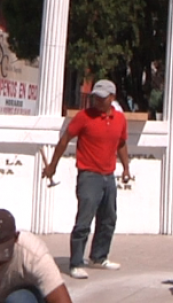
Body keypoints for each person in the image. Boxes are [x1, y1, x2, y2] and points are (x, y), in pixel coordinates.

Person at [43, 79, 131, 279]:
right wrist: (52, 166)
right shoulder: (84, 117)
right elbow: (65, 139)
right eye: (95, 97)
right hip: (88, 175)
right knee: (84, 220)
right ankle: (75, 263)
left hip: (109, 176)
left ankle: (99, 257)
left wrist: (126, 168)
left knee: (109, 218)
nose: (97, 101)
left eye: (101, 98)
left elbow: (122, 144)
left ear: (112, 98)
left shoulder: (119, 120)